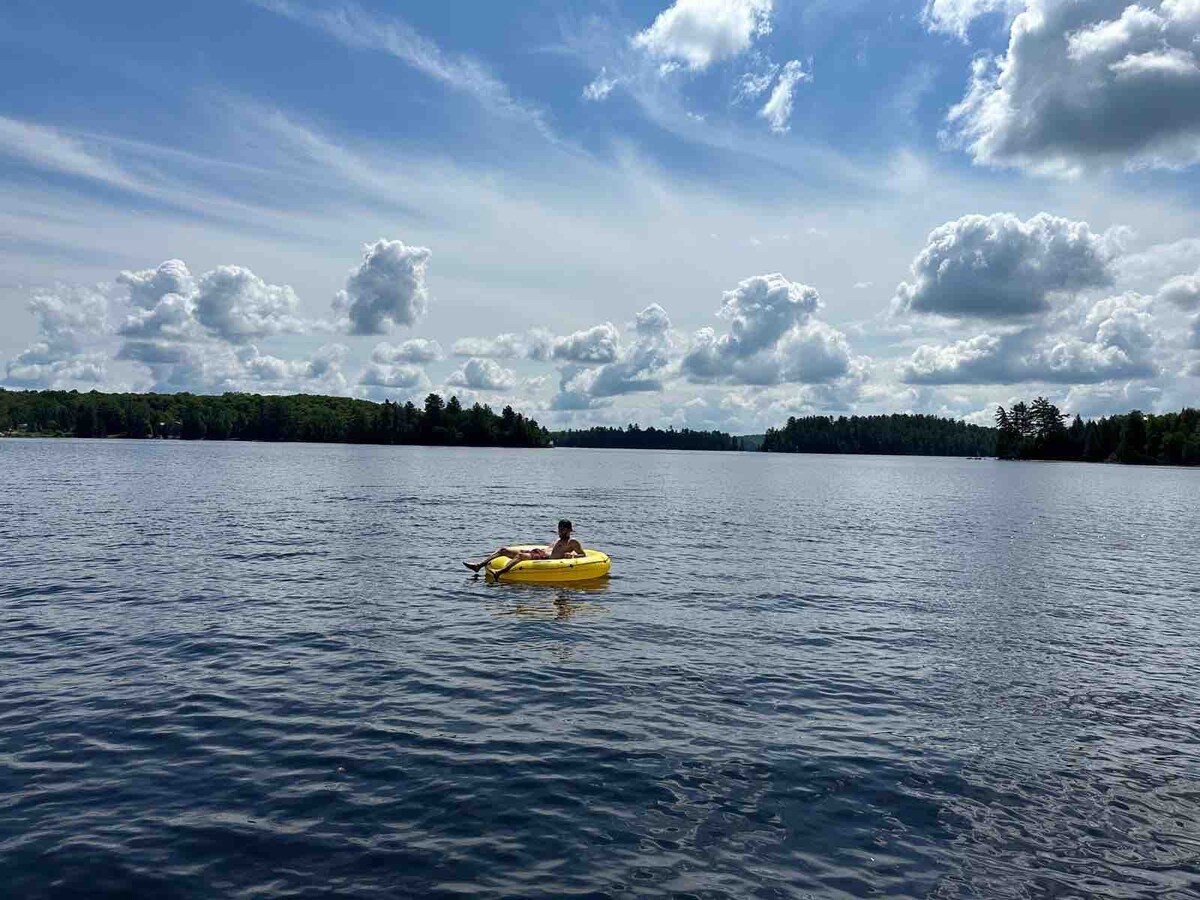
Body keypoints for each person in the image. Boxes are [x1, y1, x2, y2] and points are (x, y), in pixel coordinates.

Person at [464, 519, 584, 580]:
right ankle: (479, 566)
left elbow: (582, 555)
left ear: (569, 530)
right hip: (539, 552)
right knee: (503, 550)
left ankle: (499, 572)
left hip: (545, 558)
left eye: (562, 529)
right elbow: (550, 549)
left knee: (520, 556)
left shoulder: (572, 542)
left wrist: (572, 556)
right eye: (559, 529)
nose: (559, 531)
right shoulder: (557, 540)